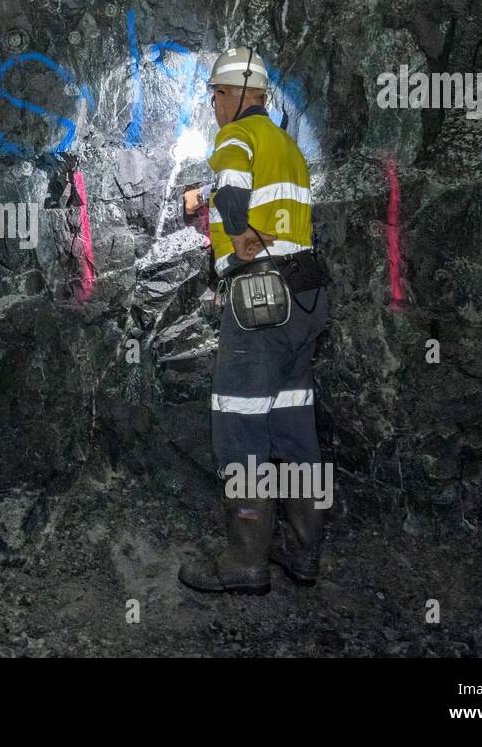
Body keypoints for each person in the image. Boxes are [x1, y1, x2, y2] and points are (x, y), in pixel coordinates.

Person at [178, 46, 330, 595]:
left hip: (262, 300)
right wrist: (211, 200)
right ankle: (303, 551)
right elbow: (264, 199)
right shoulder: (285, 145)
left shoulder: (236, 137)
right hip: (306, 297)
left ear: (238, 95)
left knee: (240, 422)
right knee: (293, 425)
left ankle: (246, 562)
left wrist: (236, 228)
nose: (214, 105)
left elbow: (238, 190)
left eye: (217, 94)